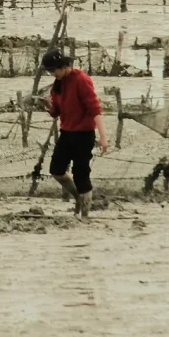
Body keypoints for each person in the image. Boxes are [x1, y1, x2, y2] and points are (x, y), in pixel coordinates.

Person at [41, 49, 108, 218]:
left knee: (81, 175)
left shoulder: (81, 79)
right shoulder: (58, 84)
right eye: (49, 71)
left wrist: (103, 136)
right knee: (56, 169)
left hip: (84, 134)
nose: (52, 74)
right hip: (66, 132)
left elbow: (95, 109)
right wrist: (48, 106)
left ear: (63, 66)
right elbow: (57, 112)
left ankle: (84, 216)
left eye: (53, 70)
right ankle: (78, 197)